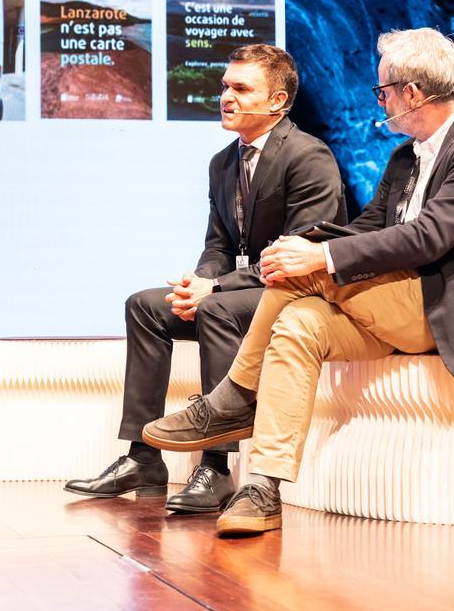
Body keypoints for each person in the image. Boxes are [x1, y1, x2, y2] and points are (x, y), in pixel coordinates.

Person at [143, 27, 454, 536]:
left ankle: (231, 398)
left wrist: (318, 256)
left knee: (304, 275)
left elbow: (428, 238)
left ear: (412, 93)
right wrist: (303, 248)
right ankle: (264, 486)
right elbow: (367, 229)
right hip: (398, 304)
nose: (379, 100)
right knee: (298, 322)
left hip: (453, 309)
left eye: (383, 91)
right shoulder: (406, 157)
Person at [64, 44, 346, 515]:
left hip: (294, 293)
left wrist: (215, 291)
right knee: (146, 305)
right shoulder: (223, 162)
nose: (226, 97)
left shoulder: (308, 156)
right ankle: (142, 456)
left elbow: (301, 255)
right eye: (224, 87)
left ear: (278, 101)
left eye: (240, 88)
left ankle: (216, 466)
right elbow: (218, 244)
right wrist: (200, 281)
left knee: (216, 308)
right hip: (240, 290)